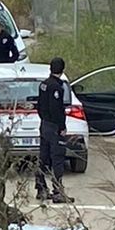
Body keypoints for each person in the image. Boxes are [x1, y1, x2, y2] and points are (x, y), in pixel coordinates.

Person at [34, 58, 74, 203]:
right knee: (58, 158)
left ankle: (41, 188)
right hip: (54, 127)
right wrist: (61, 127)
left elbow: (39, 105)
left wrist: (44, 119)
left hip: (44, 124)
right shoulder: (57, 87)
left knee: (43, 157)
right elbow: (57, 110)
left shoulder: (43, 85)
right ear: (62, 70)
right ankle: (58, 191)